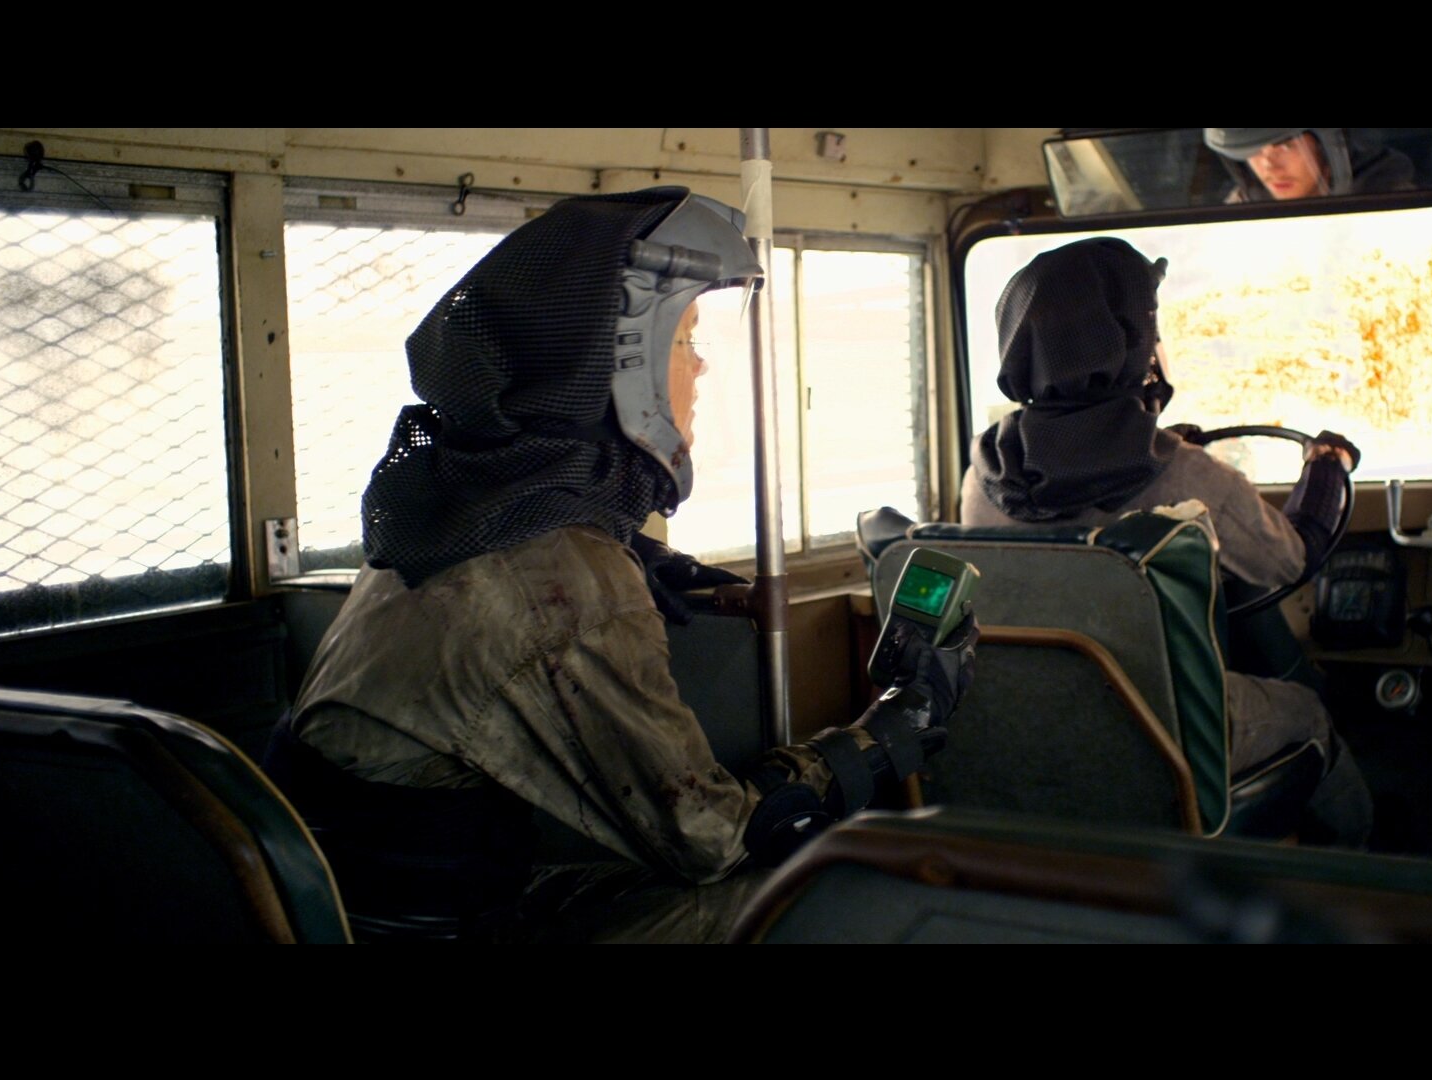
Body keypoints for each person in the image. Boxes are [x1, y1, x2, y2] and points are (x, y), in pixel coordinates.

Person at [265, 188, 977, 943]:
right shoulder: (565, 580)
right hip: (438, 932)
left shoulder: (448, 520)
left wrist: (640, 559)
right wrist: (895, 727)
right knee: (807, 890)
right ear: (621, 365)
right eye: (685, 339)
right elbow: (714, 838)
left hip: (373, 910)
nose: (702, 366)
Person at [961, 236, 1371, 845]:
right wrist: (1328, 466)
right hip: (1164, 730)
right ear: (1132, 344)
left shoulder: (983, 474)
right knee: (1308, 710)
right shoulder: (1187, 476)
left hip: (1028, 723)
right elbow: (1291, 559)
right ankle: (1368, 860)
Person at [1204, 128, 1416, 203]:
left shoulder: (1388, 200)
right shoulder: (1241, 208)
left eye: (1286, 147)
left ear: (1324, 147)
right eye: (1253, 151)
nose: (1270, 167)